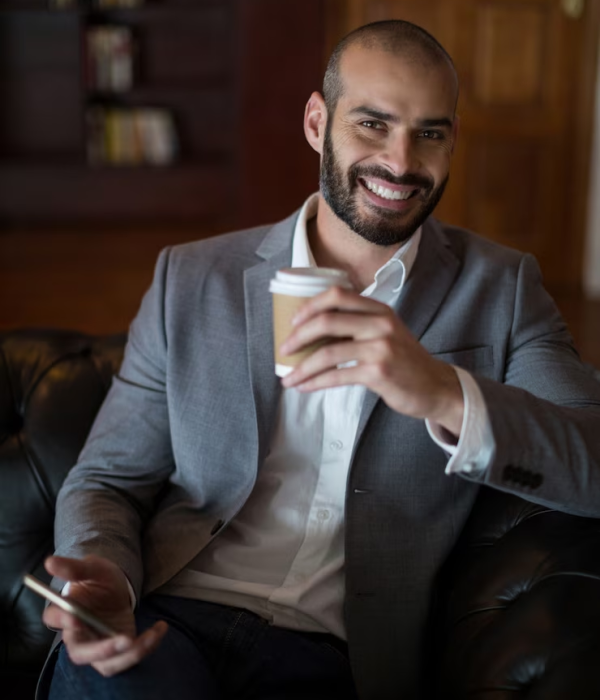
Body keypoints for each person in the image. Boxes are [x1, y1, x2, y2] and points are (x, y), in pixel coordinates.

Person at [40, 19, 600, 700]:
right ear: (317, 122)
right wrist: (106, 577)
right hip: (168, 622)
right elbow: (107, 478)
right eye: (372, 124)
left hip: (340, 657)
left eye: (430, 132)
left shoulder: (503, 289)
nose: (401, 162)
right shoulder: (191, 279)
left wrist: (440, 392)